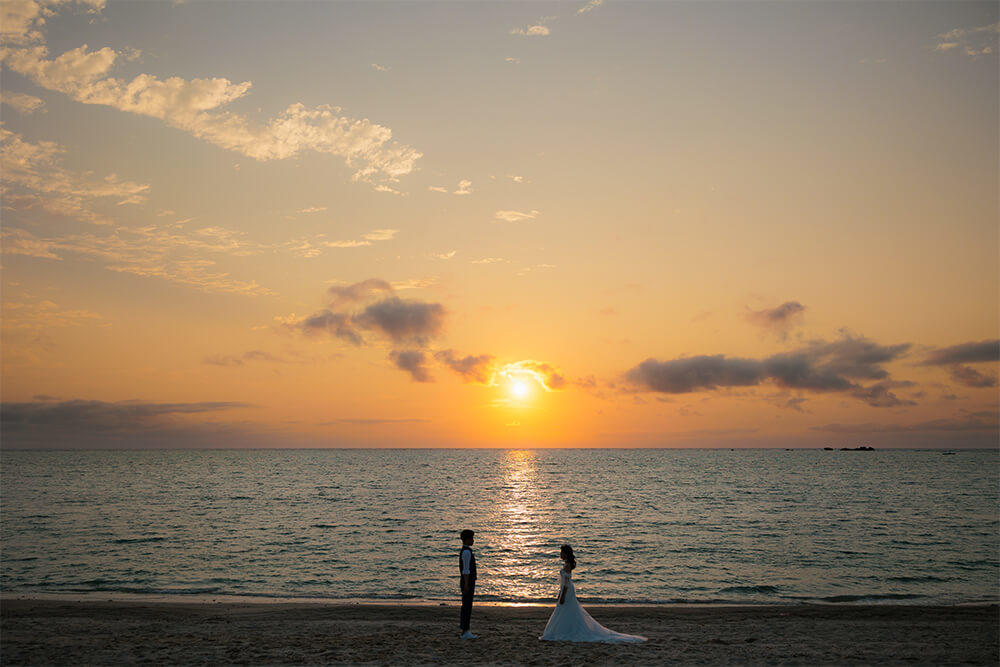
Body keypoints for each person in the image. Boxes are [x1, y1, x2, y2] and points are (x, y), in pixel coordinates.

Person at [540, 544, 646, 643]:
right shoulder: (566, 564)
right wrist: (560, 592)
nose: (560, 554)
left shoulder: (567, 565)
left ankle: (566, 631)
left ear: (565, 553)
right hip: (565, 589)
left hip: (567, 590)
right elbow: (564, 583)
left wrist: (562, 595)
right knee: (566, 610)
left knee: (566, 609)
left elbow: (566, 583)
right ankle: (564, 630)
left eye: (561, 552)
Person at [459, 529, 478, 639]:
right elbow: (466, 570)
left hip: (468, 581)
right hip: (468, 582)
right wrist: (466, 584)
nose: (473, 540)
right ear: (467, 539)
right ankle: (465, 630)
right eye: (472, 538)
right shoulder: (466, 552)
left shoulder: (466, 551)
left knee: (466, 605)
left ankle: (465, 629)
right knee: (467, 606)